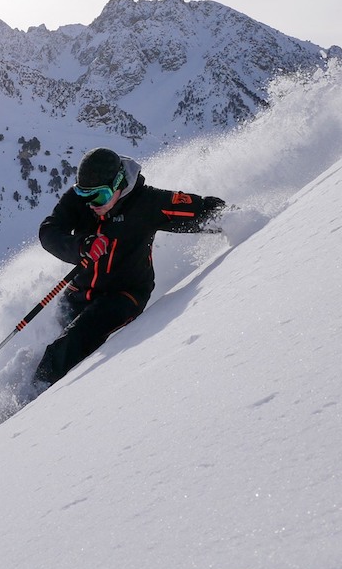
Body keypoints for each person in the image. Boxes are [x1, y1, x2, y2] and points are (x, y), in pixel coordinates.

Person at [31, 148, 225, 391]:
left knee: (70, 343)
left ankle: (33, 401)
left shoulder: (146, 203)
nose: (91, 204)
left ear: (119, 185)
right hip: (80, 289)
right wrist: (81, 246)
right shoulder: (80, 200)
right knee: (59, 337)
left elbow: (199, 210)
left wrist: (234, 219)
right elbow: (49, 231)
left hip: (125, 295)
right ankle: (41, 384)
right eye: (83, 194)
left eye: (99, 197)